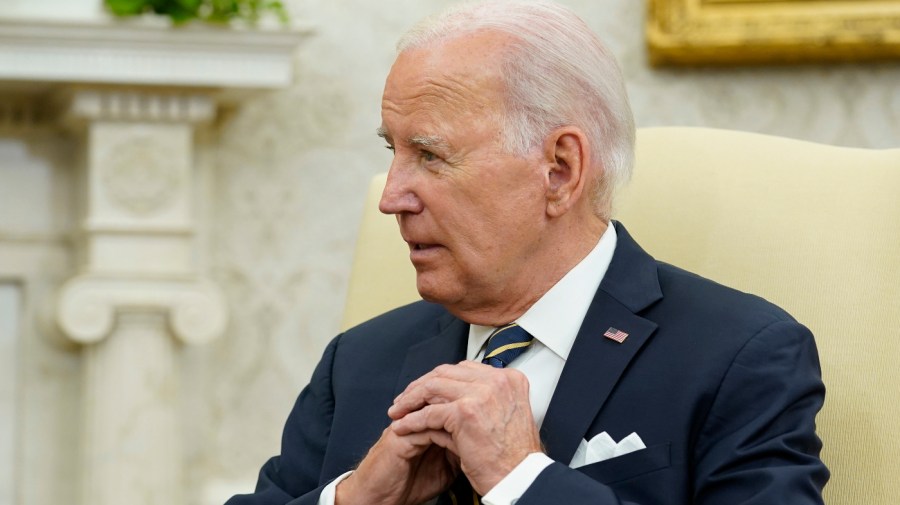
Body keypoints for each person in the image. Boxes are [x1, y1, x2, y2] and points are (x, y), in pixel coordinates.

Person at [227, 1, 829, 504]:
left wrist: (525, 481)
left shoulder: (738, 358)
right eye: (394, 151)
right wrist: (355, 498)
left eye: (431, 156)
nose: (391, 197)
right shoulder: (357, 363)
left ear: (560, 171)